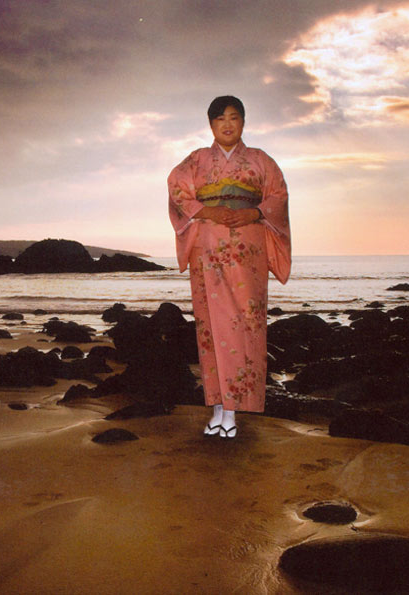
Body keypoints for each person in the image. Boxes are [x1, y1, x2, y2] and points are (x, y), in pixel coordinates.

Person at [168, 95, 291, 439]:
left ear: (243, 123)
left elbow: (279, 197)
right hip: (207, 250)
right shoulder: (195, 161)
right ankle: (218, 407)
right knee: (210, 326)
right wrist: (209, 211)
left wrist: (253, 212)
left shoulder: (261, 161)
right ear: (211, 125)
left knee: (244, 324)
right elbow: (176, 190)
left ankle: (233, 410)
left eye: (234, 118)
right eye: (220, 118)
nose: (227, 124)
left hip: (247, 251)